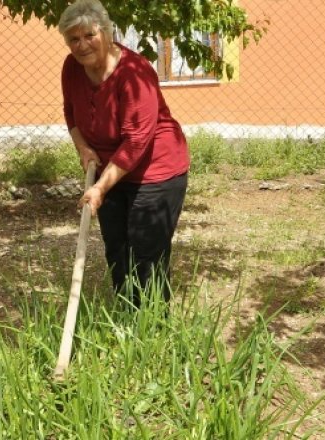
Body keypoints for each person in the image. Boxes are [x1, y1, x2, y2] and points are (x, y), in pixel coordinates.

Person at [58, 0, 190, 308]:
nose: (82, 45)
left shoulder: (134, 73)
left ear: (106, 32)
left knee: (146, 251)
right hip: (109, 167)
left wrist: (100, 187)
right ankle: (127, 315)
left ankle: (154, 325)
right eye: (73, 39)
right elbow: (70, 113)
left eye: (89, 35)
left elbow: (136, 142)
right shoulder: (71, 68)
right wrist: (83, 149)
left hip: (155, 168)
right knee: (117, 248)